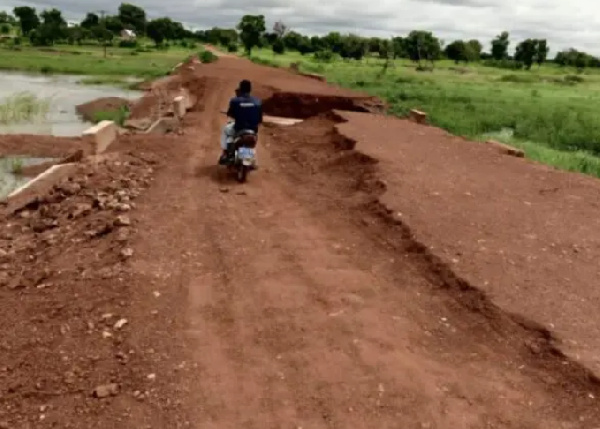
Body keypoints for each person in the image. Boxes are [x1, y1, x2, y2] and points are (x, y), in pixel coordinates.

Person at [219, 80, 263, 165]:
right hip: (253, 130)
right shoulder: (258, 101)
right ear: (250, 89)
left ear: (240, 89)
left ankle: (225, 153)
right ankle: (250, 159)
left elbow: (231, 113)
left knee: (226, 130)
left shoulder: (235, 101)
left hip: (239, 128)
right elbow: (260, 119)